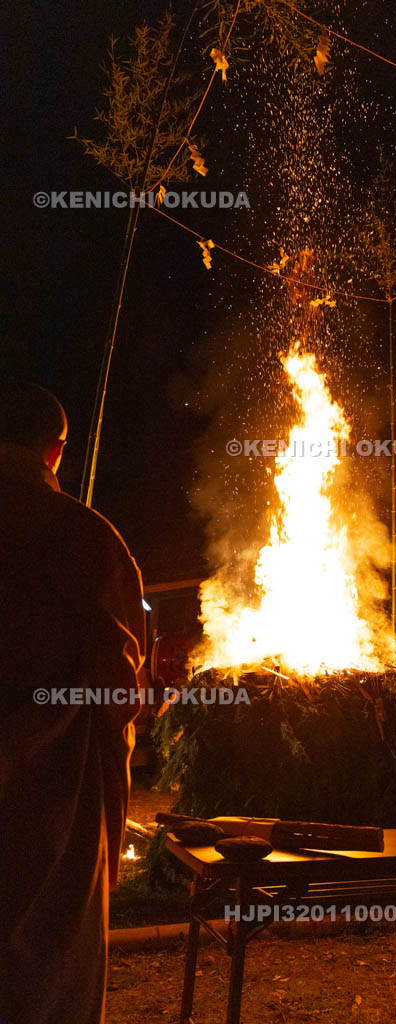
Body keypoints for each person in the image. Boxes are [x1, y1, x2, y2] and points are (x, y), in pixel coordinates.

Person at [0, 383, 146, 1024]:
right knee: (48, 971)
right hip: (53, 802)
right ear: (56, 452)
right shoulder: (84, 536)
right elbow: (116, 683)